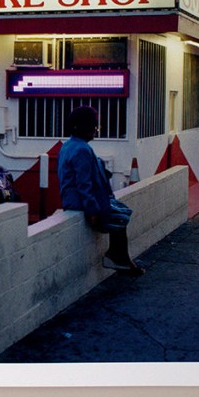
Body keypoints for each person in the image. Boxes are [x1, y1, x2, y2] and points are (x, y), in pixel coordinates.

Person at [58, 106, 145, 276]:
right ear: (85, 128)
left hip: (71, 198)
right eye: (95, 127)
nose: (96, 131)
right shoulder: (82, 149)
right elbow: (83, 184)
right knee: (121, 215)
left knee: (119, 211)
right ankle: (118, 257)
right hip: (80, 201)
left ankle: (119, 257)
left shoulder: (68, 145)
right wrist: (92, 210)